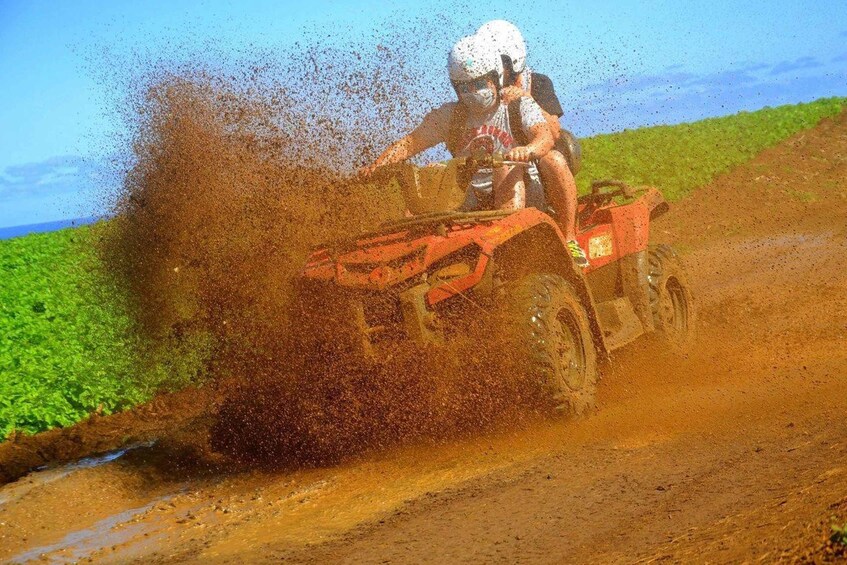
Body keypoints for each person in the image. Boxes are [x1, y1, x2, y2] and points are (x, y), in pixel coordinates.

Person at [359, 34, 553, 214]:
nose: (472, 92)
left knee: (506, 168)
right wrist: (378, 165)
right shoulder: (450, 115)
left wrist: (527, 150)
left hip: (524, 192)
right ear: (455, 87)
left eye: (479, 84)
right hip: (470, 197)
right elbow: (410, 143)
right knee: (431, 172)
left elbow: (545, 136)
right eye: (464, 87)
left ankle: (510, 235)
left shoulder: (516, 105)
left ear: (495, 78)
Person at [477, 20, 588, 267]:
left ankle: (569, 238)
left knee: (555, 159)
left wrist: (525, 99)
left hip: (538, 157)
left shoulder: (537, 83)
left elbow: (554, 131)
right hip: (499, 161)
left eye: (497, 61)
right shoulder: (484, 90)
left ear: (513, 60)